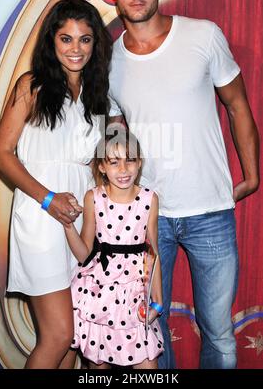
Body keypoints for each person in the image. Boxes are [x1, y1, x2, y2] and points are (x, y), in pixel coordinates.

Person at [107, 0, 260, 369]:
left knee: (220, 336)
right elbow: (115, 134)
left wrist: (252, 173)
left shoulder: (203, 35)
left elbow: (238, 105)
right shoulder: (109, 59)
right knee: (149, 331)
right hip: (145, 216)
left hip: (209, 209)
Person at [0, 0, 112, 369]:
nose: (76, 49)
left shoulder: (96, 96)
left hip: (79, 224)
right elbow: (1, 155)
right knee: (59, 334)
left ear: (95, 44)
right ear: (52, 41)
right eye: (66, 39)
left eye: (85, 39)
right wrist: (48, 200)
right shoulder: (33, 85)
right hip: (41, 218)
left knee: (74, 339)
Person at [63, 129, 164, 369]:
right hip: (99, 293)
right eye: (114, 162)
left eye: (130, 160)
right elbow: (84, 253)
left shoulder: (150, 199)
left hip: (135, 293)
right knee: (99, 368)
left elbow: (153, 253)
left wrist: (158, 300)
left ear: (139, 163)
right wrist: (68, 226)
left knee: (148, 366)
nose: (123, 169)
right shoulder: (93, 197)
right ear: (101, 167)